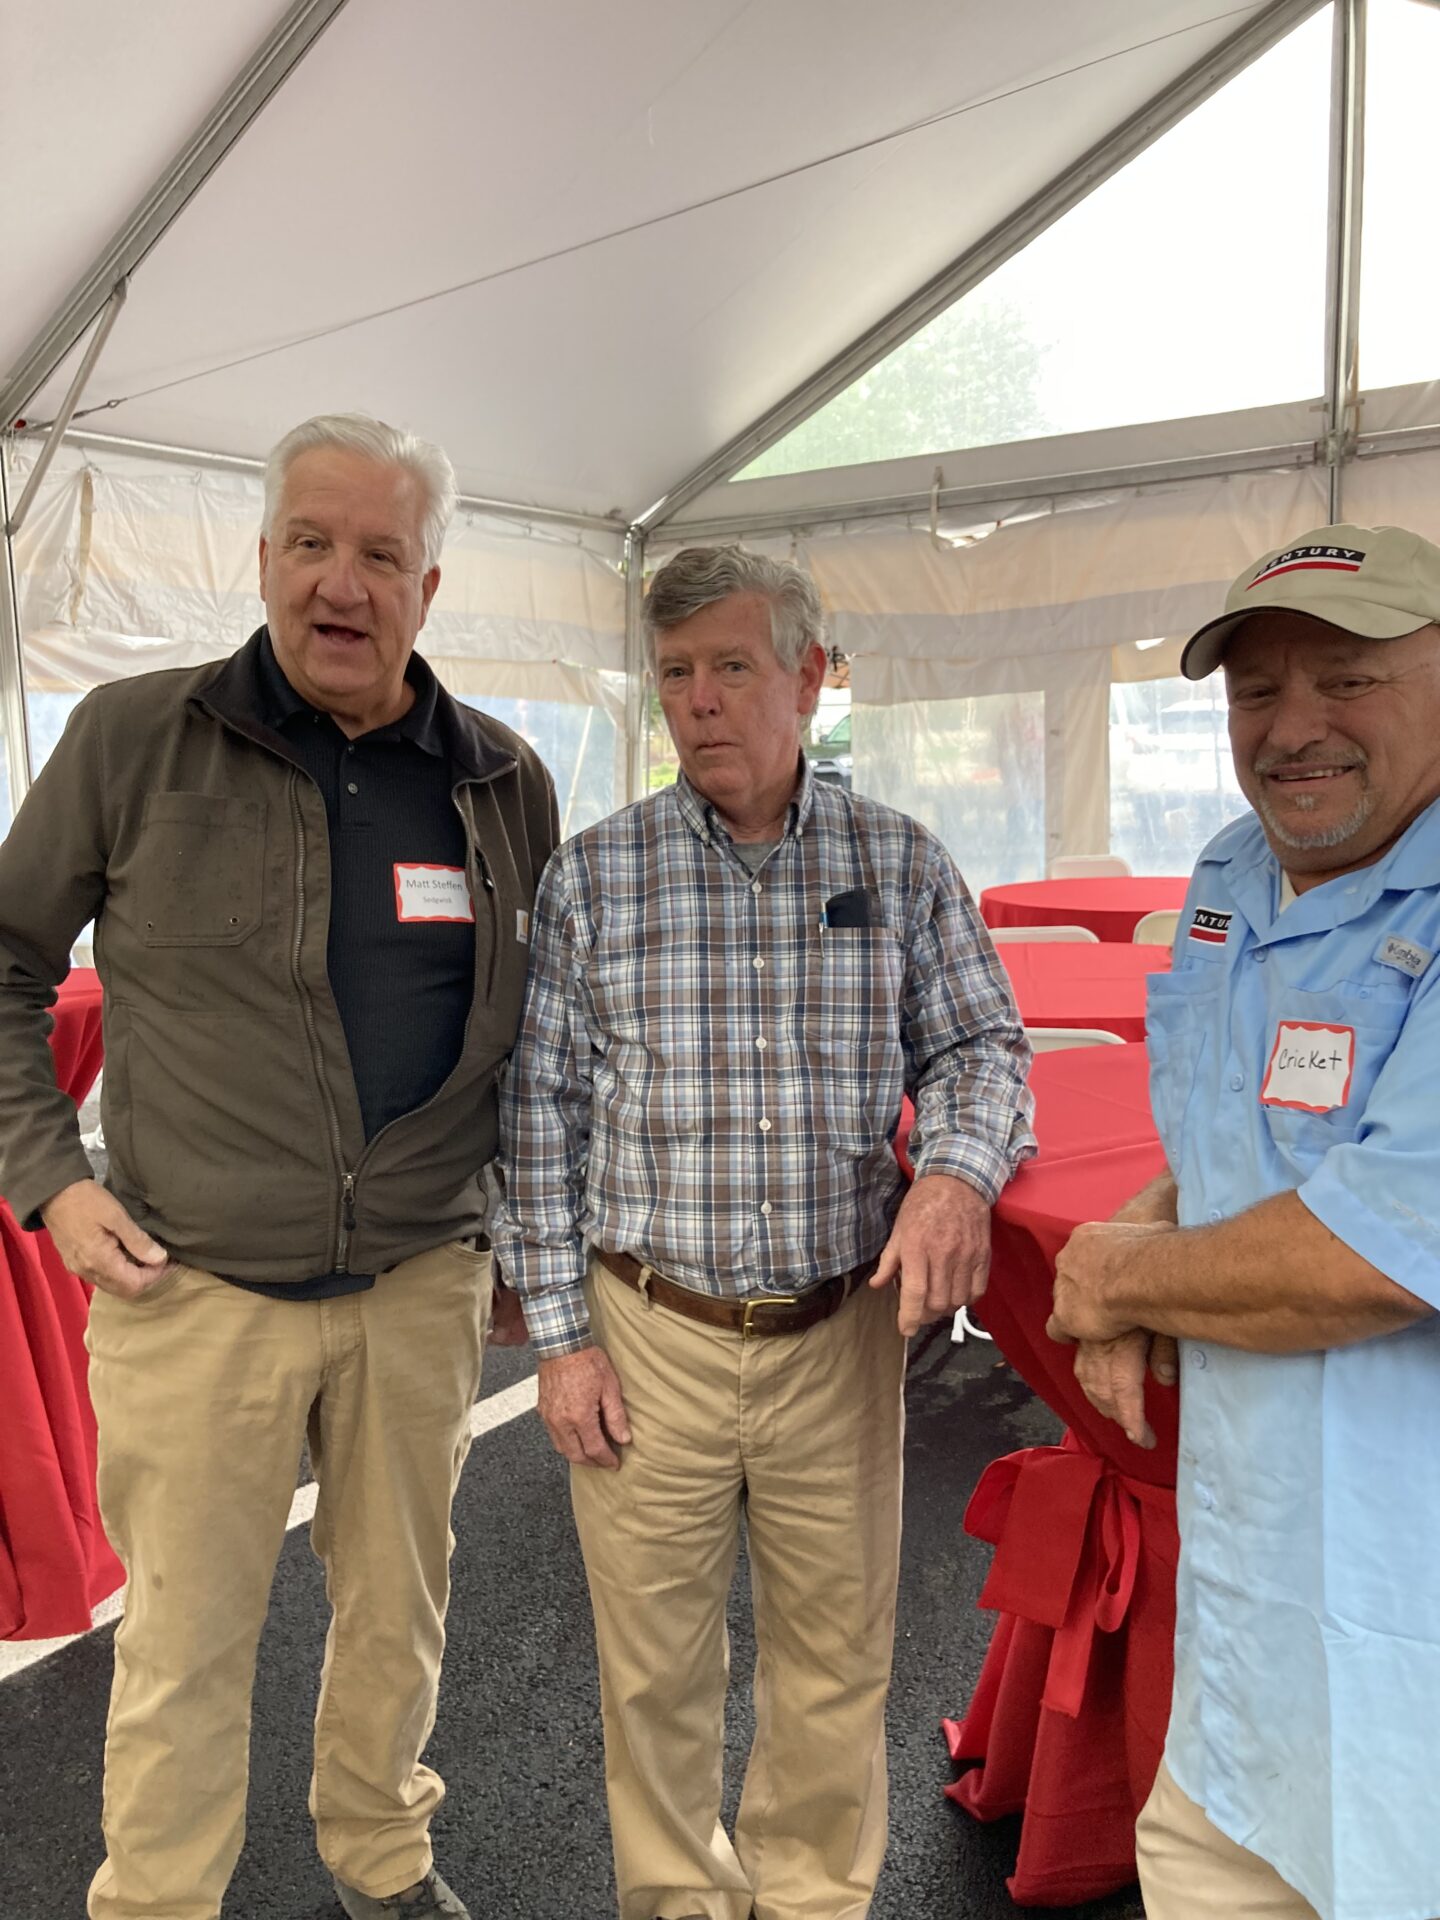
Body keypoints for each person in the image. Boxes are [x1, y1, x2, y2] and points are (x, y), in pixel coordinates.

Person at [0, 413, 557, 1920]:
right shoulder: (130, 739)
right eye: (312, 543)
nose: (342, 582)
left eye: (382, 553)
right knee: (185, 1643)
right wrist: (51, 1175)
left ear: (429, 588)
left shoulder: (504, 780)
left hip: (421, 1284)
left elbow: (530, 1036)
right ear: (261, 560)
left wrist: (518, 1238)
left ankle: (381, 1861)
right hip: (195, 1290)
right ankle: (159, 1901)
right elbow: (5, 964)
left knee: (401, 1623)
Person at [495, 544, 1034, 1920]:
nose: (699, 704)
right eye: (675, 674)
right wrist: (559, 1341)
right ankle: (676, 1899)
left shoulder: (899, 862)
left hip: (836, 1332)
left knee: (835, 1659)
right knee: (653, 1668)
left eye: (732, 668)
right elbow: (538, 1120)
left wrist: (958, 1174)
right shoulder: (594, 878)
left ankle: (809, 1898)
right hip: (647, 1326)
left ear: (811, 674)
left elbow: (982, 1045)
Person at [1046, 522, 1440, 1920]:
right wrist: (1150, 1251)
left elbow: (1373, 1256)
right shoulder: (1228, 875)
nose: (1295, 728)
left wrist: (1122, 1279)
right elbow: (1237, 1147)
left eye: (1349, 678)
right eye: (1257, 690)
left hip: (1411, 1652)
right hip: (1243, 1644)